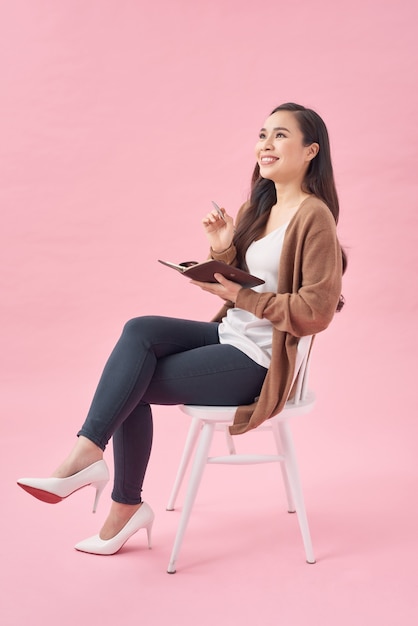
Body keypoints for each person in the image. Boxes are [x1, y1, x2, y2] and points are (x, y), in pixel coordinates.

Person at [17, 102, 346, 556]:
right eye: (262, 134)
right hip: (231, 335)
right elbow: (243, 286)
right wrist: (222, 250)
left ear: (311, 151)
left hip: (261, 361)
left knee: (130, 381)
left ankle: (113, 494)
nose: (265, 144)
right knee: (139, 332)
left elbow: (317, 311)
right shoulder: (259, 206)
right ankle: (92, 459)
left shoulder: (315, 217)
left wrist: (241, 298)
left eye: (280, 135)